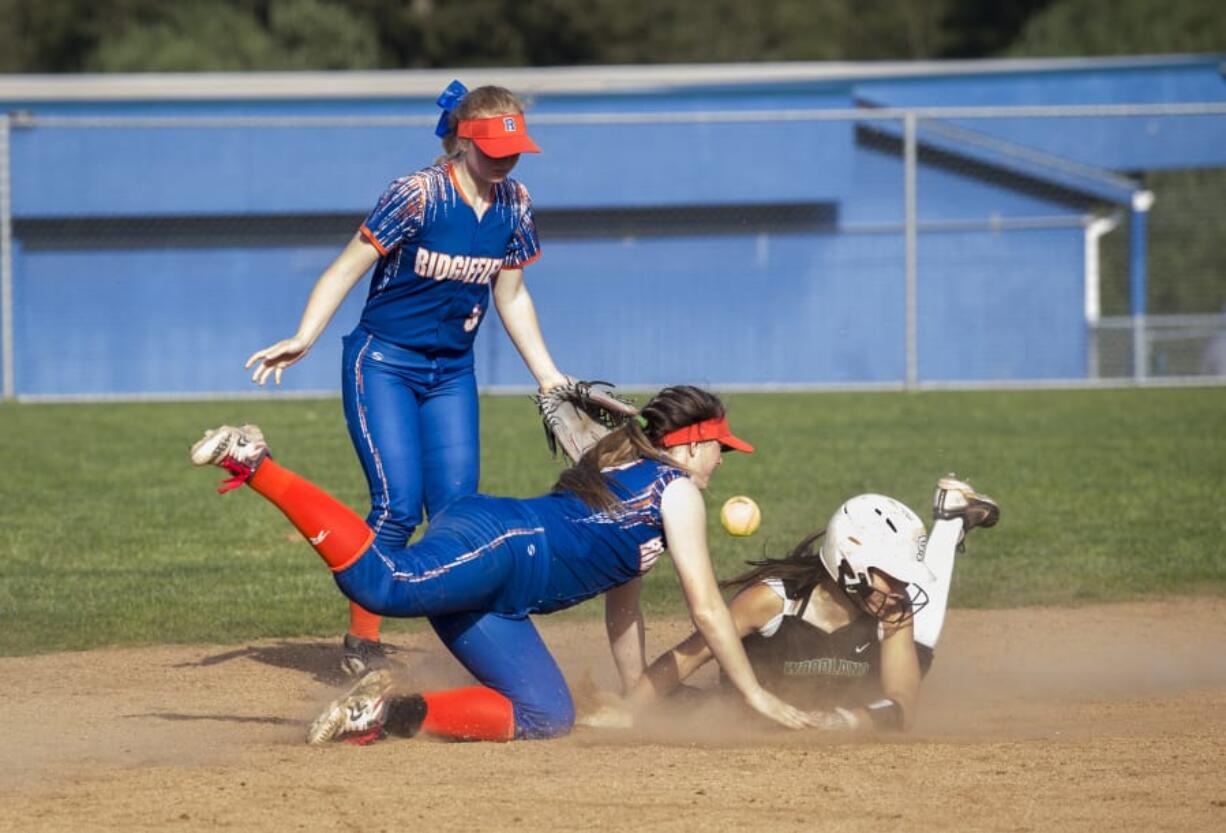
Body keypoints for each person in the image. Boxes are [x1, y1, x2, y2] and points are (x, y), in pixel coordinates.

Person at [190, 385, 817, 744]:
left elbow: (623, 607)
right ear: (694, 443)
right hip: (504, 544)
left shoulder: (637, 476)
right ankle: (256, 463)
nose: (722, 462)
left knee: (548, 716)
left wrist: (637, 697)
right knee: (385, 584)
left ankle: (385, 712)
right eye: (720, 450)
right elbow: (709, 611)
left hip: (504, 595)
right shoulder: (675, 490)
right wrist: (757, 696)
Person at [243, 80, 568, 677]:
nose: (506, 159)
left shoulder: (515, 203)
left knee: (458, 513)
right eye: (494, 149)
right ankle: (361, 645)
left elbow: (513, 296)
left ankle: (473, 647)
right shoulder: (417, 195)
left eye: (515, 148)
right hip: (383, 363)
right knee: (396, 505)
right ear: (463, 142)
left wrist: (548, 378)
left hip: (451, 373)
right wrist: (304, 336)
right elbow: (347, 268)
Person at [601, 479, 999, 732]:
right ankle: (951, 520)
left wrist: (844, 721)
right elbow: (688, 657)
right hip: (762, 703)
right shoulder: (772, 601)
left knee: (919, 653)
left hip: (856, 696)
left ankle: (950, 521)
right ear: (849, 562)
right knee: (698, 709)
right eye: (889, 575)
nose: (900, 590)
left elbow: (902, 707)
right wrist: (628, 710)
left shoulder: (894, 609)